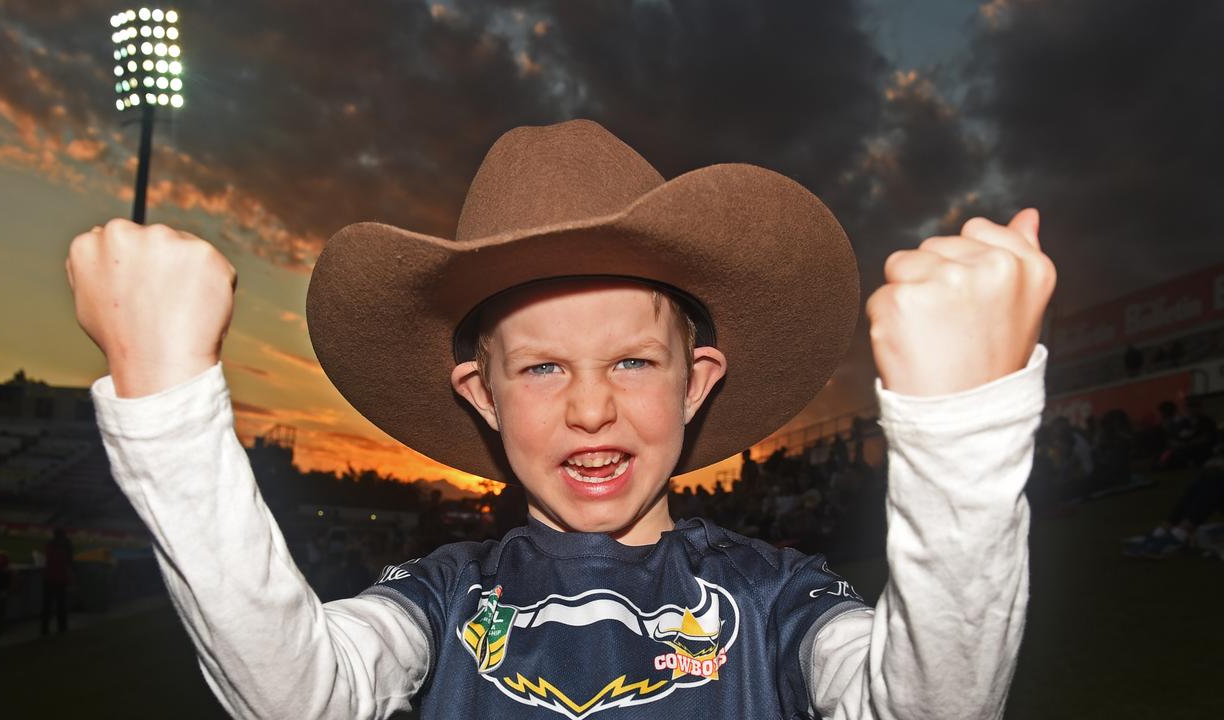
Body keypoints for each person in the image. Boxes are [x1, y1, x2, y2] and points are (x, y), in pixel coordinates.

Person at [66, 120, 1055, 719]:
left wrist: (961, 426)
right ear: (480, 395)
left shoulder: (770, 596)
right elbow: (299, 698)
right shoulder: (445, 596)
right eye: (540, 367)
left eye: (632, 359)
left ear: (695, 381)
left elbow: (931, 706)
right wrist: (167, 410)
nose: (591, 407)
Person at [40, 526, 73, 635]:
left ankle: (44, 628)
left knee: (47, 605)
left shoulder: (49, 545)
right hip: (61, 579)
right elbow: (69, 561)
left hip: (49, 578)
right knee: (61, 605)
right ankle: (62, 627)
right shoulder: (66, 546)